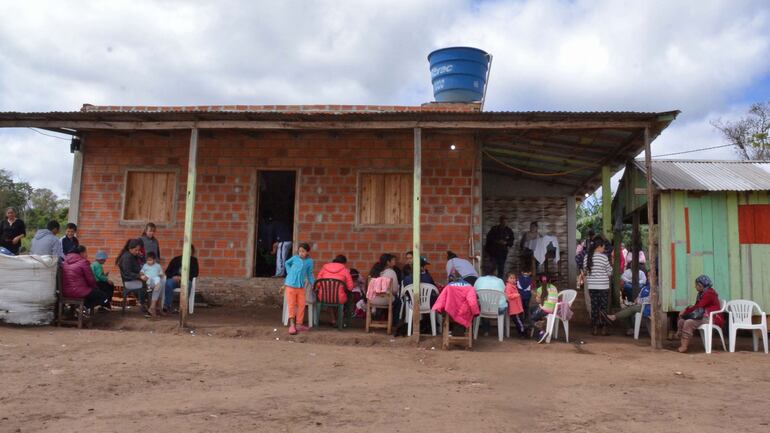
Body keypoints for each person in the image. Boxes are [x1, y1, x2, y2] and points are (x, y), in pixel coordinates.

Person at [675, 275, 724, 353]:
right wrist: (686, 310)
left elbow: (698, 307)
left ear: (701, 285)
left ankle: (684, 346)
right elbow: (696, 307)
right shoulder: (701, 293)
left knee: (689, 323)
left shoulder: (709, 293)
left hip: (711, 318)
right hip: (704, 316)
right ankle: (681, 338)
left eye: (696, 285)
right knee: (681, 321)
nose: (695, 287)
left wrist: (685, 311)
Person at [61, 245, 111, 310]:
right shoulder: (83, 262)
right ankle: (86, 307)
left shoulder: (65, 262)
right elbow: (91, 280)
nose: (87, 255)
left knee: (94, 293)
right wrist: (96, 288)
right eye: (86, 252)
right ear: (81, 253)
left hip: (66, 291)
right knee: (102, 295)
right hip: (79, 291)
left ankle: (83, 307)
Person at [582, 236, 613, 336]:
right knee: (603, 307)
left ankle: (594, 328)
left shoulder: (587, 257)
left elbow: (585, 272)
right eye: (603, 247)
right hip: (603, 286)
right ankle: (604, 329)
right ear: (599, 246)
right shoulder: (604, 257)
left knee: (594, 307)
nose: (604, 249)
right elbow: (609, 272)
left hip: (592, 286)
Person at [284, 242, 314, 335]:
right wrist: (289, 272)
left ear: (307, 252)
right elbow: (286, 263)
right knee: (292, 305)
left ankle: (299, 324)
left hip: (301, 287)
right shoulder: (295, 258)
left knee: (301, 305)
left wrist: (313, 283)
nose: (301, 253)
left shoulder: (309, 262)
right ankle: (292, 325)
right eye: (300, 251)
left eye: (303, 251)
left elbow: (309, 273)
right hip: (290, 285)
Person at [317, 254, 354, 326]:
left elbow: (318, 284)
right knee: (344, 298)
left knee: (330, 297)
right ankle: (341, 320)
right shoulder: (345, 270)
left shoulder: (324, 268)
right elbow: (350, 287)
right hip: (339, 298)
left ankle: (333, 320)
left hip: (324, 297)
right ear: (344, 263)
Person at [368, 253, 402, 331]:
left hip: (372, 299)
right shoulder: (391, 272)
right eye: (393, 260)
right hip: (386, 300)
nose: (394, 262)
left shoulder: (374, 271)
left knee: (391, 299)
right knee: (398, 301)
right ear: (388, 262)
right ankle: (393, 324)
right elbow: (395, 290)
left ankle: (376, 318)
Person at [163, 245, 200, 313]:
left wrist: (184, 278)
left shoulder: (194, 261)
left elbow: (195, 273)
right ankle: (167, 306)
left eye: (190, 250)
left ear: (192, 252)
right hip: (174, 279)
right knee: (168, 283)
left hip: (186, 280)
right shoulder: (176, 259)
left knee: (188, 285)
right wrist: (173, 276)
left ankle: (183, 307)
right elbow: (167, 271)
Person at [116, 238, 149, 314]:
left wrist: (140, 256)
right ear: (130, 249)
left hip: (133, 278)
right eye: (136, 250)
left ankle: (145, 303)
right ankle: (143, 304)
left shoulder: (132, 255)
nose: (138, 252)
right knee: (145, 285)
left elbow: (138, 266)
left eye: (138, 250)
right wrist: (139, 276)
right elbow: (128, 273)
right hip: (129, 281)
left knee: (148, 283)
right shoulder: (127, 257)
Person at [473, 265, 507, 336]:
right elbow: (505, 294)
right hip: (498, 310)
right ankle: (502, 332)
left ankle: (486, 330)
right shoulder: (500, 281)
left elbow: (474, 293)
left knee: (482, 305)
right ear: (495, 271)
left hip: (483, 309)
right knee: (503, 305)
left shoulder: (479, 280)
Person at [529, 275, 559, 341]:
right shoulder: (554, 288)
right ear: (550, 281)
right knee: (534, 311)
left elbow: (538, 301)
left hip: (545, 310)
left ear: (539, 281)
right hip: (554, 309)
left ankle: (541, 331)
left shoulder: (539, 289)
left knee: (531, 319)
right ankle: (540, 322)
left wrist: (535, 294)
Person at [141, 252, 165, 317]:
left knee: (159, 282)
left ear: (154, 260)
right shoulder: (145, 266)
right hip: (149, 282)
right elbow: (141, 272)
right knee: (159, 285)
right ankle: (155, 308)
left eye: (150, 260)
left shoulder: (158, 266)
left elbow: (161, 274)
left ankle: (152, 307)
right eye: (147, 260)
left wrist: (161, 275)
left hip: (156, 280)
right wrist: (142, 276)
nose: (148, 262)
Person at [504, 271, 525, 337]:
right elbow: (508, 296)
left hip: (517, 307)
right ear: (507, 279)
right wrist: (516, 295)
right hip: (514, 308)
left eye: (514, 278)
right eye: (511, 278)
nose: (513, 279)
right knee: (518, 321)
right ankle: (522, 332)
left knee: (519, 320)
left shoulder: (513, 286)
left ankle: (521, 332)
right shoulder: (508, 286)